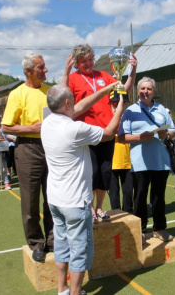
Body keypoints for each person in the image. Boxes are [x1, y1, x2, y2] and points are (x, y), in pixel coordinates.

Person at [42, 82, 123, 295]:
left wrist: (105, 91)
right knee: (79, 250)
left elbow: (78, 109)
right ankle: (76, 293)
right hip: (75, 202)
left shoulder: (48, 120)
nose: (77, 105)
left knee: (62, 245)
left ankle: (63, 290)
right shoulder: (74, 128)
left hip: (56, 199)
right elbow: (109, 132)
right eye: (73, 101)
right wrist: (119, 108)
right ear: (67, 103)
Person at [68, 44, 137, 223]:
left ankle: (99, 207)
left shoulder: (103, 76)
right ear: (76, 63)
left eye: (90, 59)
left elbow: (123, 90)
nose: (89, 63)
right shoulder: (73, 79)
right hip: (85, 133)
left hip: (106, 132)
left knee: (105, 172)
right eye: (84, 61)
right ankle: (89, 208)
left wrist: (132, 71)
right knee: (91, 172)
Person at [1, 52, 54, 262]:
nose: (46, 70)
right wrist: (30, 127)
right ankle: (36, 243)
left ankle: (53, 240)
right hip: (28, 149)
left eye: (45, 66)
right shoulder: (17, 94)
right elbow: (5, 126)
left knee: (53, 197)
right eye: (41, 67)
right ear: (28, 71)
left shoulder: (50, 91)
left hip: (50, 148)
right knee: (30, 200)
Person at [118, 77, 175, 242]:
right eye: (142, 88)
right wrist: (140, 137)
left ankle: (159, 228)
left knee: (159, 197)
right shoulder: (131, 111)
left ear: (154, 92)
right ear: (137, 91)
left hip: (161, 161)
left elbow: (173, 131)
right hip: (140, 163)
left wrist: (167, 134)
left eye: (149, 89)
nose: (145, 92)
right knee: (140, 198)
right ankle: (141, 230)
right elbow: (121, 137)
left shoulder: (162, 109)